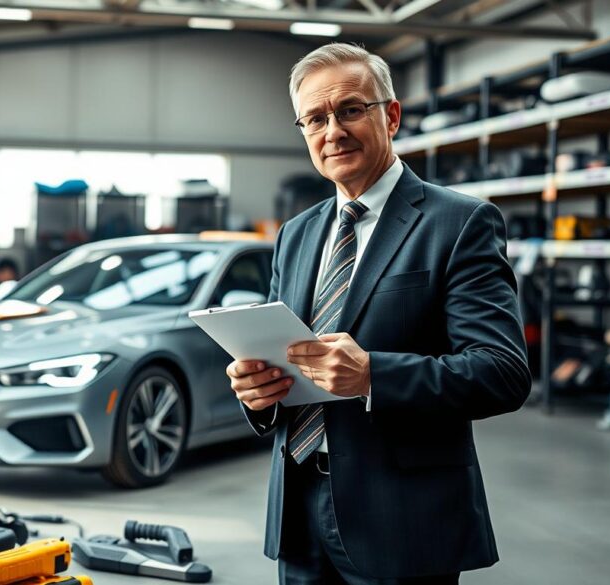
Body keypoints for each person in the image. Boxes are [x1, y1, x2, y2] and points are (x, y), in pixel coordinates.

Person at [226, 43, 531, 585]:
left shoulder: (460, 223)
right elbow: (284, 364)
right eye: (315, 119)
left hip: (403, 520)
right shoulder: (296, 234)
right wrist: (258, 394)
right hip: (298, 512)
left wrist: (373, 375)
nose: (333, 132)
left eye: (350, 110)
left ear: (391, 115)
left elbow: (501, 373)